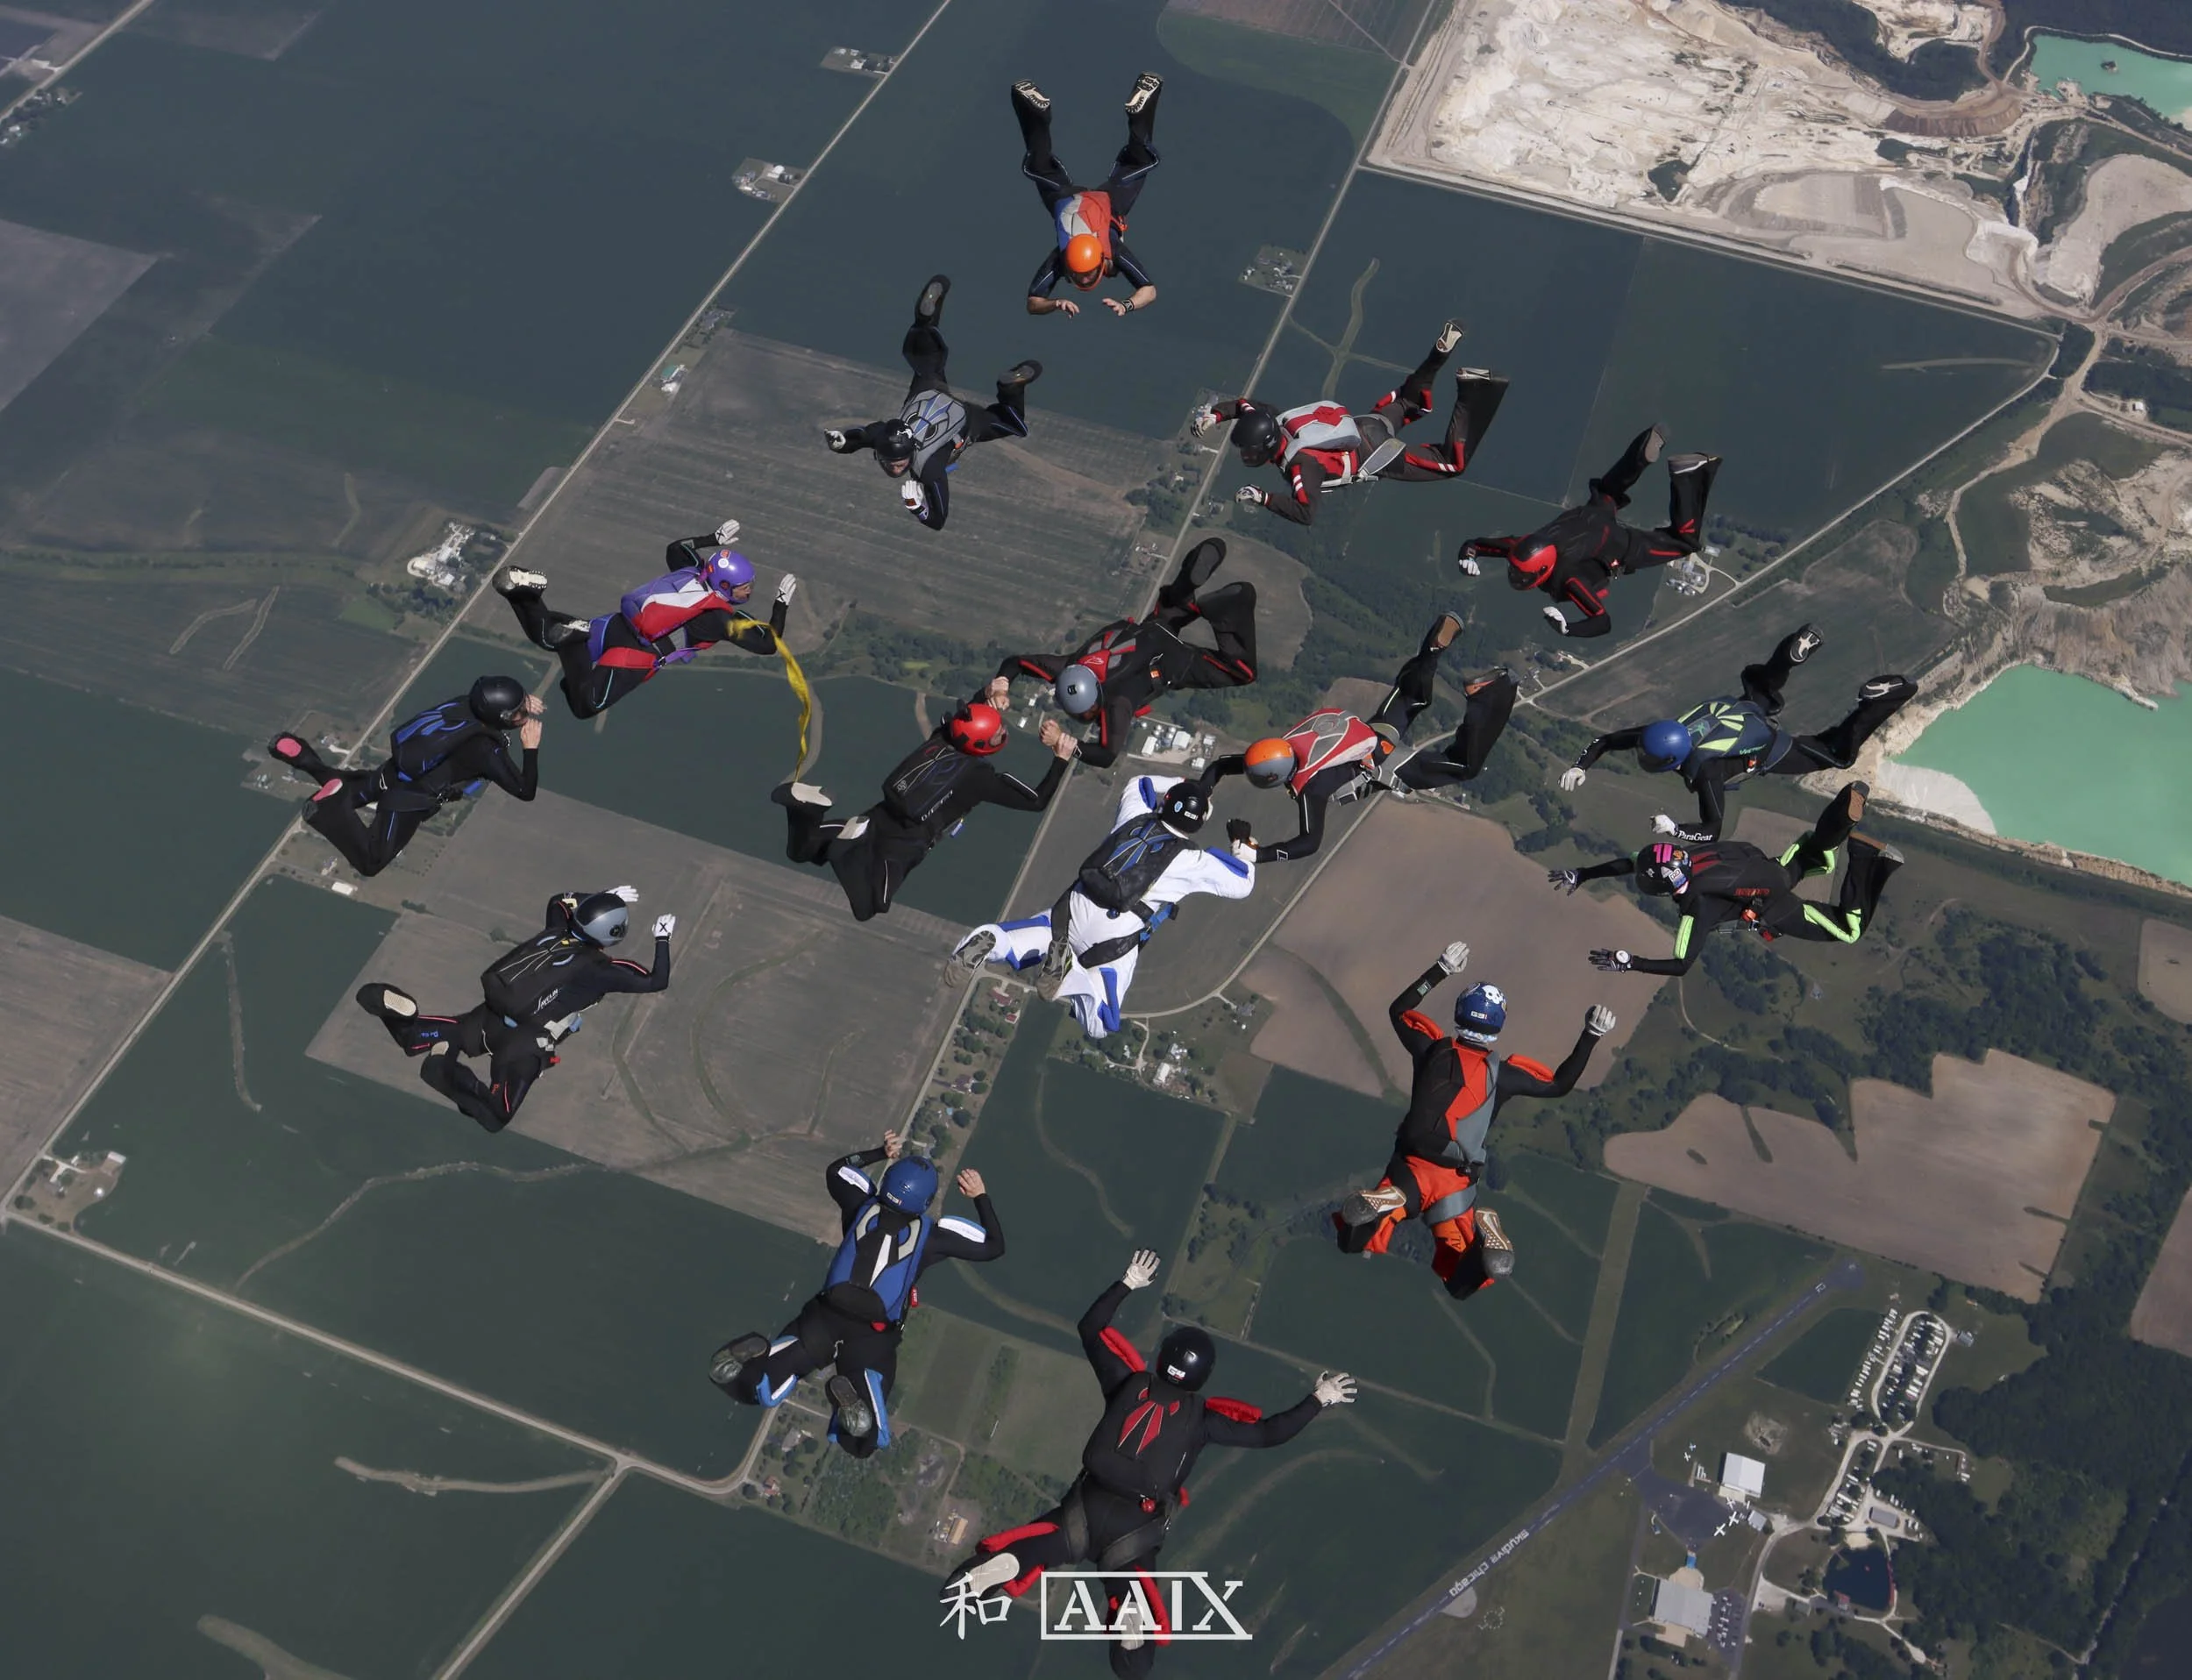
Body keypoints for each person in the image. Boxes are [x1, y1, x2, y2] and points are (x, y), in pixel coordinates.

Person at [939, 1249, 1354, 1673]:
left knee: (1036, 1549)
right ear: (1202, 1376)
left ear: (1162, 1360)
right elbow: (1270, 1433)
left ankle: (1009, 1563)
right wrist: (1318, 1399)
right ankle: (1127, 1618)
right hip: (1134, 1531)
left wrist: (1128, 1282)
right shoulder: (1203, 1422)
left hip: (1084, 1510)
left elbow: (1091, 1329)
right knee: (1133, 1634)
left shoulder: (1127, 1384)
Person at [1334, 941, 1615, 1300]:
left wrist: (1440, 969)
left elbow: (1399, 1011)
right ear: (1499, 1024)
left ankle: (1389, 1201)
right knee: (1460, 1281)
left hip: (1412, 1169)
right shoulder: (1504, 1075)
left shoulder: (1433, 1048)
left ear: (1459, 1013)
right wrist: (1591, 1035)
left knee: (1354, 1238)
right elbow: (1559, 1084)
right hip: (1456, 1182)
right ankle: (1483, 1238)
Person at [709, 1132, 1002, 1459]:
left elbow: (837, 1170)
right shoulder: (931, 1237)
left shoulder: (861, 1204)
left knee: (764, 1385)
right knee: (867, 1434)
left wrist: (879, 1152)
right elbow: (993, 1246)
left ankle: (743, 1364)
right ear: (926, 1201)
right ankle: (855, 1415)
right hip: (871, 1335)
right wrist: (980, 1196)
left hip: (823, 1316)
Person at [949, 774, 1255, 1038]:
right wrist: (1242, 846)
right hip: (1115, 940)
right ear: (1200, 822)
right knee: (1102, 1022)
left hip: (1069, 912)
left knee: (1013, 940)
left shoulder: (1133, 815)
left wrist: (1183, 783)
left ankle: (989, 941)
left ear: (1166, 801)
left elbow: (1141, 782)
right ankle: (1068, 976)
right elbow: (1243, 883)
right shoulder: (1192, 861)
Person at [354, 887, 673, 1131]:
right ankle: (445, 1071)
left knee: (414, 1038)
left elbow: (558, 901)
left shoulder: (557, 930)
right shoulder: (602, 970)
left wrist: (598, 897)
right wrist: (663, 938)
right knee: (495, 1114)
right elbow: (656, 981)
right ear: (613, 934)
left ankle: (401, 1015)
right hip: (523, 1045)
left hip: (489, 1016)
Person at [1557, 624, 1918, 839]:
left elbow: (1712, 829)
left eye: (1646, 756)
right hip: (1743, 711)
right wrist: (1580, 765)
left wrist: (1675, 829)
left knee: (1839, 755)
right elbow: (1606, 741)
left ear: (1670, 759)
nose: (1640, 754)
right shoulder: (1667, 732)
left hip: (1771, 748)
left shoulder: (1706, 772)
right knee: (1762, 682)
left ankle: (1894, 695)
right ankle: (1794, 648)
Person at [1204, 614, 1515, 862]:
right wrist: (1204, 785)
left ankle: (1490, 695)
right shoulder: (1290, 742)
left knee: (1464, 765)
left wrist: (1258, 856)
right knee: (1410, 695)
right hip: (1374, 731)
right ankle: (1431, 653)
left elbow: (1309, 843)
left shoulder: (1311, 789)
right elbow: (1228, 764)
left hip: (1386, 762)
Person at [776, 686, 1078, 922]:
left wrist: (989, 695)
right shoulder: (980, 778)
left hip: (879, 815)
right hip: (908, 842)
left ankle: (805, 810)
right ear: (984, 745)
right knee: (870, 907)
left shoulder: (945, 736)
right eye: (998, 731)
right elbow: (1037, 801)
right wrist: (1061, 759)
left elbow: (967, 717)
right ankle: (846, 850)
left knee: (803, 851)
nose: (1002, 731)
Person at [1548, 782, 1904, 976]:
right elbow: (1631, 863)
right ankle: (1844, 812)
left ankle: (1863, 858)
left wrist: (1629, 962)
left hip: (1774, 903)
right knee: (1816, 851)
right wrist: (1583, 874)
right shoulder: (1685, 856)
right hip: (1770, 869)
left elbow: (1681, 965)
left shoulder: (1695, 908)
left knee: (1849, 930)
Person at [1195, 321, 1506, 526]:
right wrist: (1213, 415)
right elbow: (1243, 406)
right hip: (1364, 425)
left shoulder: (1301, 467)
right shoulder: (1275, 419)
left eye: (1249, 452)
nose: (1246, 456)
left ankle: (1470, 391)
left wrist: (1263, 498)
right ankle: (1438, 354)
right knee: (1410, 402)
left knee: (1452, 464)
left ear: (1265, 446)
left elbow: (1306, 513)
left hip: (1375, 453)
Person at [492, 521, 798, 720]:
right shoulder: (720, 618)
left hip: (617, 624)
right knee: (586, 705)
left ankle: (521, 593)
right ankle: (571, 643)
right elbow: (769, 644)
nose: (748, 593)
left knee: (546, 636)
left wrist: (712, 538)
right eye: (745, 588)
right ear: (725, 587)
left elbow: (676, 548)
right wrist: (781, 605)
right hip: (637, 655)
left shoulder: (692, 571)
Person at [995, 537, 1256, 766]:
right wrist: (1001, 685)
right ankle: (1186, 586)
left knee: (1241, 672)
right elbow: (1017, 662)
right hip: (1151, 630)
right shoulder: (1067, 667)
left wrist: (1062, 742)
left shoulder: (1116, 704)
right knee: (1172, 605)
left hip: (1174, 662)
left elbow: (1106, 755)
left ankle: (1233, 607)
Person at [1457, 424, 1718, 638]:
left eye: (1519, 573)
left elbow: (1602, 621)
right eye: (1515, 569)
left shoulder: (1569, 579)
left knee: (1684, 542)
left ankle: (1687, 476)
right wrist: (1468, 556)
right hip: (1591, 515)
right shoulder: (1523, 547)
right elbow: (1477, 544)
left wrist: (1569, 629)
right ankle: (1644, 447)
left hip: (1619, 546)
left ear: (1544, 569)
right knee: (1608, 490)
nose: (1514, 575)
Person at [825, 274, 1041, 531]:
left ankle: (1011, 387)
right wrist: (841, 444)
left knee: (1011, 422)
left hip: (964, 419)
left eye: (899, 463)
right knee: (922, 356)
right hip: (927, 394)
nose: (896, 468)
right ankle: (925, 324)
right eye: (896, 463)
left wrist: (919, 509)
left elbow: (938, 520)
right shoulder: (882, 436)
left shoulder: (928, 468)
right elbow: (859, 437)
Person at [267, 677, 542, 879]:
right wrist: (530, 748)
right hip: (407, 802)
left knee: (343, 788)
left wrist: (519, 701)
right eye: (518, 711)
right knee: (371, 862)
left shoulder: (465, 705)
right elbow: (525, 790)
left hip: (393, 772)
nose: (523, 714)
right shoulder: (487, 750)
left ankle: (301, 757)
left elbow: (491, 700)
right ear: (501, 717)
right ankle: (328, 809)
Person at [1014, 75, 1163, 319]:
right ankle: (1034, 112)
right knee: (1039, 167)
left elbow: (1033, 303)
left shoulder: (1096, 254)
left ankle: (1141, 111)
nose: (1083, 278)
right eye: (1084, 273)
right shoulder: (1082, 256)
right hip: (1080, 202)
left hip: (1103, 202)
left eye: (1083, 274)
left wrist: (1055, 303)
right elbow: (1148, 290)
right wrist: (1126, 305)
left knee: (1140, 161)